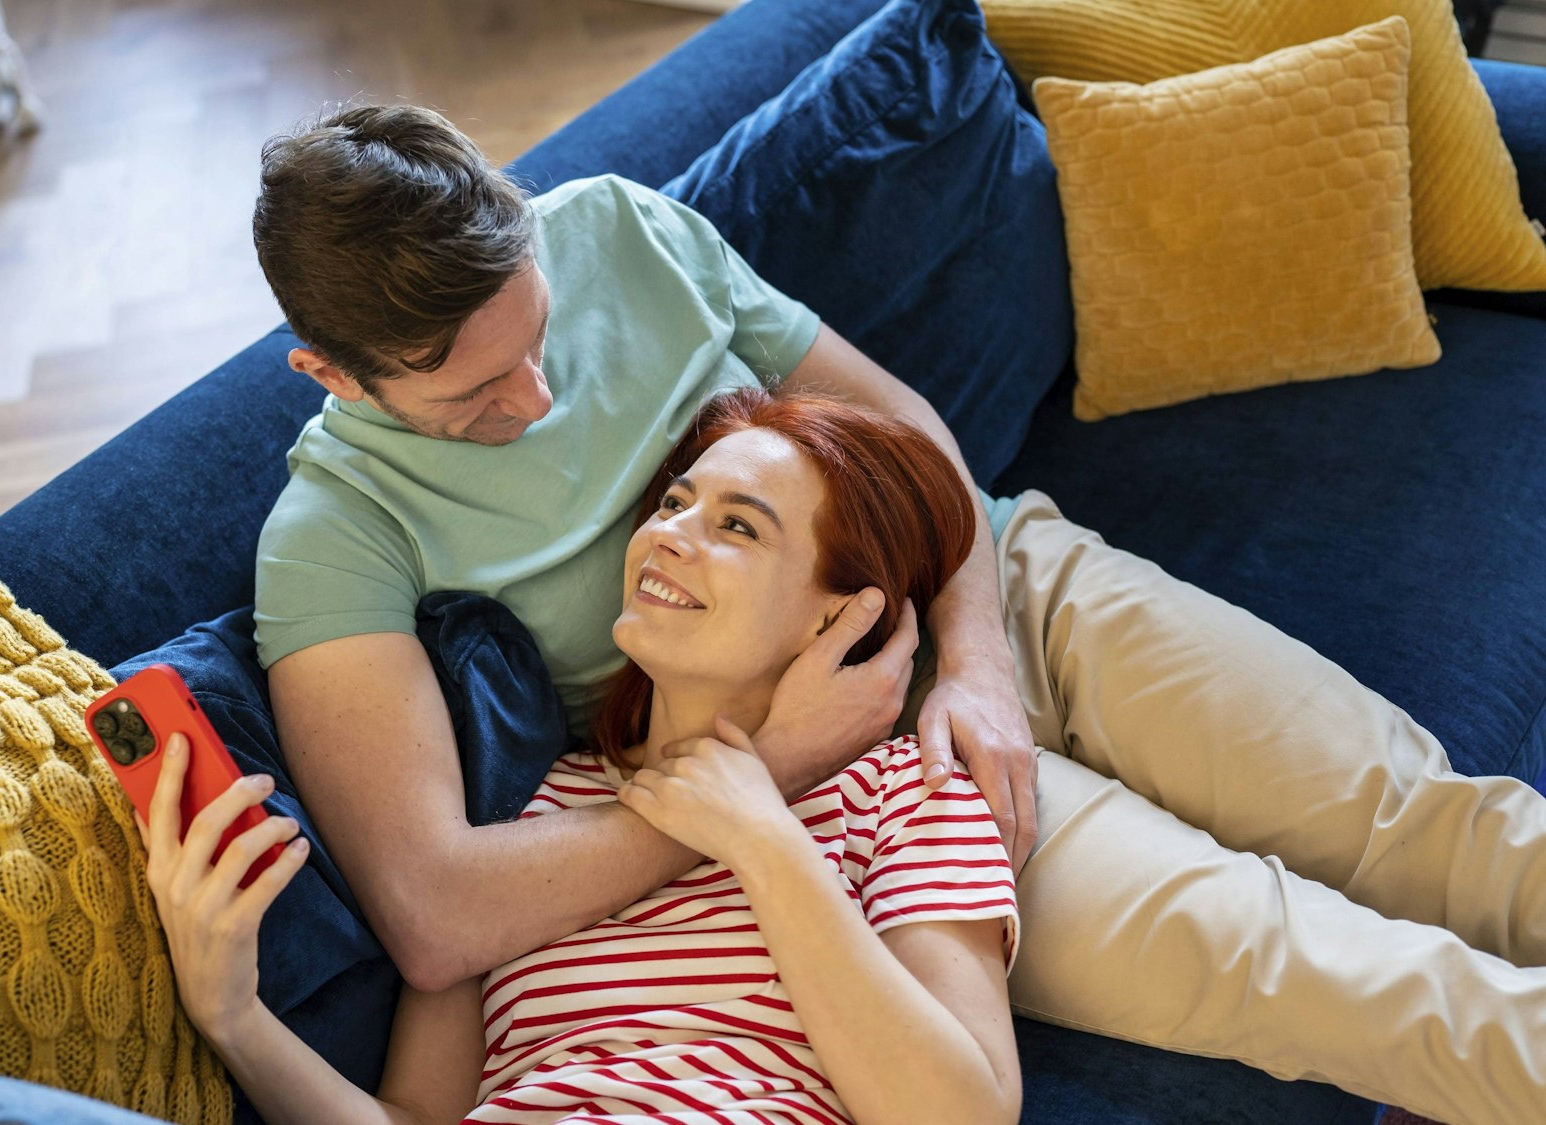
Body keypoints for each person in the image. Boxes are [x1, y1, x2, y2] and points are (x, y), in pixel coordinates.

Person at [242, 103, 1546, 1124]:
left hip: (988, 576)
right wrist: (778, 767)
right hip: (850, 807)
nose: (532, 395)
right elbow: (436, 912)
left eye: (533, 335)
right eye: (473, 398)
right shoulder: (332, 539)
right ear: (328, 373)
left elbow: (900, 426)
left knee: (1424, 820)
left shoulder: (614, 229)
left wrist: (977, 657)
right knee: (1321, 973)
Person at [141, 388, 1023, 1124]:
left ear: (837, 617)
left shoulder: (904, 791)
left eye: (739, 528)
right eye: (676, 504)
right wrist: (233, 1016)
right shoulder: (527, 814)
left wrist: (763, 836)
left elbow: (965, 1112)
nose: (669, 535)